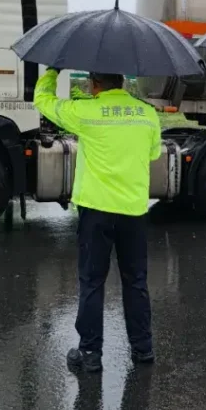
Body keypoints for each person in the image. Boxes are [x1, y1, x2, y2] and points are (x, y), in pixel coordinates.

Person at [34, 68, 162, 372]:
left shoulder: (86, 112)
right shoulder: (147, 114)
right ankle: (143, 350)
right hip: (133, 211)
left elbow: (43, 100)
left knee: (92, 282)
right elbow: (154, 153)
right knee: (136, 281)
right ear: (122, 82)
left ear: (95, 85)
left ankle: (91, 354)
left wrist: (52, 70)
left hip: (97, 210)